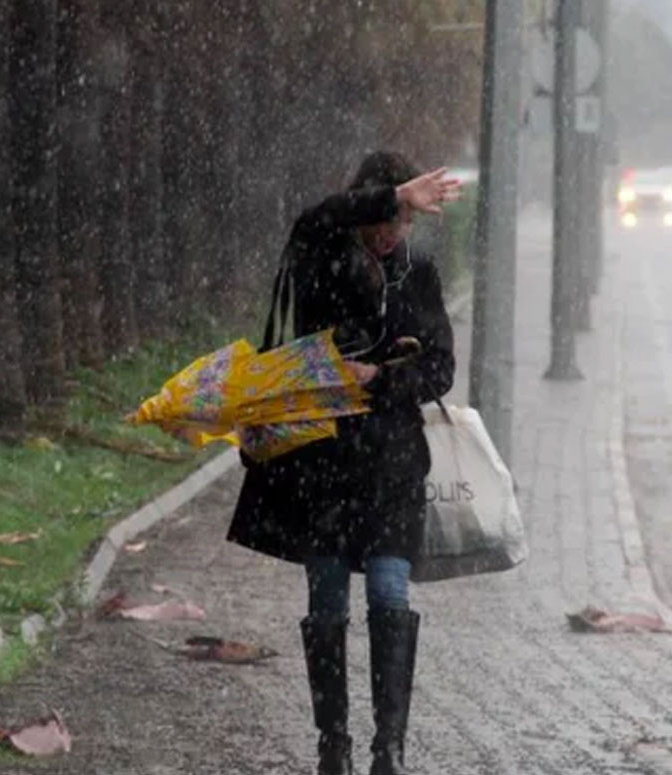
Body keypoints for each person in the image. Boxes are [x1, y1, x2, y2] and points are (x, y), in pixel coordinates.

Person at [228, 152, 461, 775]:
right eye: (387, 216)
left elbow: (439, 368)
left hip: (391, 467)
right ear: (365, 210)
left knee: (389, 595)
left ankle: (390, 746)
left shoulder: (420, 276)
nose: (392, 232)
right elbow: (313, 218)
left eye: (405, 221)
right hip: (321, 468)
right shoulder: (321, 259)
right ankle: (334, 742)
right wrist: (393, 195)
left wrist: (380, 377)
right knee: (327, 604)